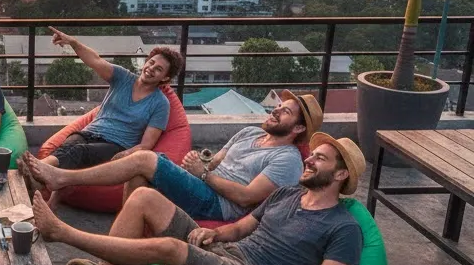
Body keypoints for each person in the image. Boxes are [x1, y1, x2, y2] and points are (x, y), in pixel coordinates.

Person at [32, 133, 365, 265]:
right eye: (312, 154)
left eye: (319, 158)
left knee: (170, 248)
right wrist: (214, 232)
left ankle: (61, 232)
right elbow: (241, 228)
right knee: (144, 197)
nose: (308, 159)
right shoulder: (287, 195)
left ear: (340, 174)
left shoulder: (343, 227)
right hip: (228, 249)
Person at [23, 90, 322, 224]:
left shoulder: (287, 159)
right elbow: (215, 162)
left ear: (298, 128)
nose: (275, 111)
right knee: (138, 174)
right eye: (278, 106)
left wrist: (203, 173)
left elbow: (246, 198)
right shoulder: (249, 132)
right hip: (203, 184)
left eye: (285, 111)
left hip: (218, 205)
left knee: (145, 159)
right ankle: (121, 244)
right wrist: (199, 163)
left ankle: (61, 178)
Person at [36, 32, 180, 183]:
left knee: (78, 152)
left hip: (116, 145)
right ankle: (41, 175)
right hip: (90, 132)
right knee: (70, 143)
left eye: (158, 69)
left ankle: (37, 171)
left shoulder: (160, 103)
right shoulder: (123, 77)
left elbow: (146, 145)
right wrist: (73, 42)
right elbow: (95, 60)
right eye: (151, 62)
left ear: (165, 78)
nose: (151, 68)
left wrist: (126, 155)